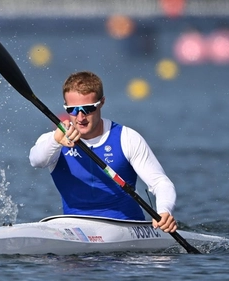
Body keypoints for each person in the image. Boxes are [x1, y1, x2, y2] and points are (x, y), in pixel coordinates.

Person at [29, 71, 177, 233]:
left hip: (126, 228)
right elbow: (36, 161)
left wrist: (164, 211)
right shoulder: (53, 140)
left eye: (87, 109)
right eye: (72, 110)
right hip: (76, 229)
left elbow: (160, 183)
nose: (80, 117)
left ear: (101, 103)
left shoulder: (126, 138)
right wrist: (55, 141)